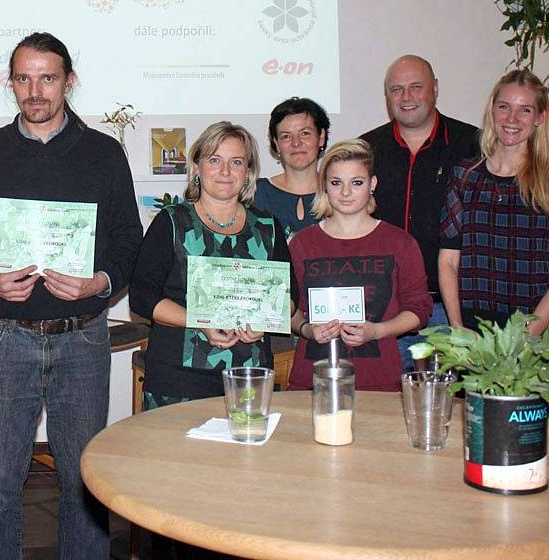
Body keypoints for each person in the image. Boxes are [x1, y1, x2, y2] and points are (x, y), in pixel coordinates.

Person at [0, 32, 142, 559]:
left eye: (48, 78)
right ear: (10, 82)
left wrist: (100, 283)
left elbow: (128, 238)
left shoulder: (103, 153)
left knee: (83, 487)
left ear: (69, 81)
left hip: (82, 338)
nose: (35, 92)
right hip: (4, 339)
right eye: (24, 78)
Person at [130, 121, 297, 408]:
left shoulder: (268, 227)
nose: (225, 171)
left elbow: (290, 298)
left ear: (248, 173)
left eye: (236, 162)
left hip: (249, 374)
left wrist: (264, 322)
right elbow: (143, 297)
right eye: (214, 160)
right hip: (178, 377)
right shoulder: (171, 222)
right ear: (196, 168)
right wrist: (200, 320)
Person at [360, 55, 478, 370]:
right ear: (387, 97)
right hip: (384, 312)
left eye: (416, 87)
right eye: (397, 89)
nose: (407, 97)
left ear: (435, 89)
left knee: (447, 408)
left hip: (450, 311)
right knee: (384, 412)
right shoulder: (367, 149)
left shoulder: (473, 145)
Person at [289, 139, 432, 391]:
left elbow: (419, 309)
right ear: (324, 186)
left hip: (378, 381)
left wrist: (377, 331)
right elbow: (287, 308)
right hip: (312, 380)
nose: (345, 193)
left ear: (372, 184)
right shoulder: (302, 243)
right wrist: (308, 330)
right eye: (336, 183)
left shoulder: (400, 243)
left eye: (356, 183)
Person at [439, 69, 549, 335]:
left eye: (524, 110)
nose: (512, 118)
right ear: (492, 111)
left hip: (535, 332)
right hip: (473, 331)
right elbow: (448, 261)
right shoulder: (465, 175)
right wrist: (458, 328)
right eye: (504, 107)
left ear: (539, 117)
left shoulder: (545, 181)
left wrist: (527, 334)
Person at [254, 97, 330, 241]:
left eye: (305, 133)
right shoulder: (256, 194)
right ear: (276, 143)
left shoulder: (339, 192)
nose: (296, 143)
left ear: (321, 137)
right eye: (286, 136)